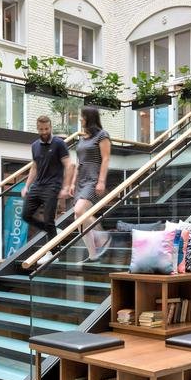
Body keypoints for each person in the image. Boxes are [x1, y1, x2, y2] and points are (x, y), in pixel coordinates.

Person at [21, 115, 73, 265]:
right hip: (38, 185)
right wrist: (26, 186)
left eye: (47, 129)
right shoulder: (35, 145)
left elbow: (69, 165)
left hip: (52, 186)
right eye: (41, 129)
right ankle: (54, 232)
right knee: (26, 215)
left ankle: (54, 252)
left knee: (48, 219)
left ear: (50, 128)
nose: (44, 132)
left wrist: (66, 187)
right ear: (37, 129)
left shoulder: (59, 143)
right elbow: (34, 166)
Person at [69, 106, 112, 263]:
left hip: (93, 179)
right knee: (77, 217)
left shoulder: (102, 135)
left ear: (89, 118)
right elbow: (79, 163)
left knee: (80, 211)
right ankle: (93, 254)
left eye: (82, 116)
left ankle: (103, 235)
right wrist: (73, 183)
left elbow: (106, 158)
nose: (80, 119)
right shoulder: (82, 139)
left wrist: (101, 181)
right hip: (81, 180)